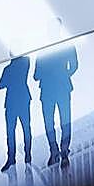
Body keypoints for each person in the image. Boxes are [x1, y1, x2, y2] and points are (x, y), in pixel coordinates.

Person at [34, 21, 79, 168]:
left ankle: (62, 151)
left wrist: (63, 75)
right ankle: (56, 150)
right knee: (54, 122)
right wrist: (62, 74)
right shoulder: (44, 49)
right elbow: (36, 74)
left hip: (57, 88)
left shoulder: (66, 46)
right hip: (52, 89)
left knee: (62, 120)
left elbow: (74, 65)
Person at [0, 54, 32, 171]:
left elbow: (2, 83)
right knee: (12, 132)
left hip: (18, 101)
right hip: (14, 102)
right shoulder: (10, 68)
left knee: (24, 129)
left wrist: (9, 79)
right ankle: (12, 158)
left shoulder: (19, 64)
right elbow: (0, 85)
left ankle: (27, 155)